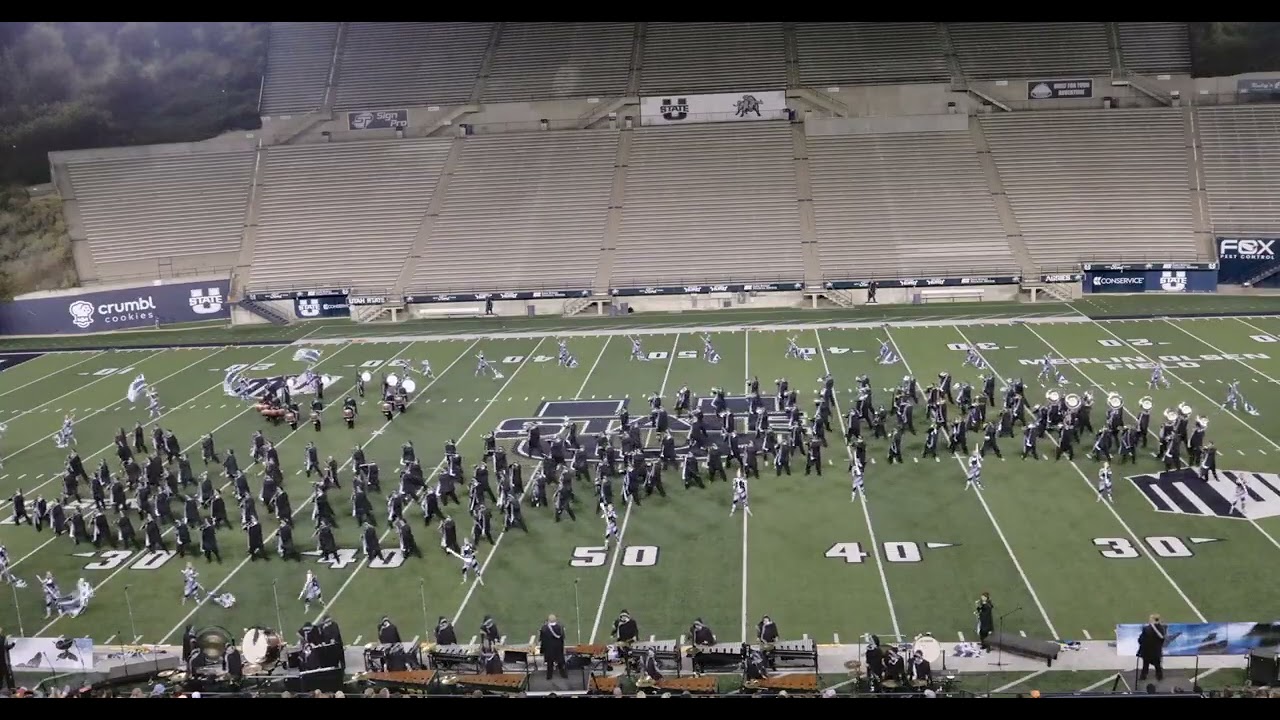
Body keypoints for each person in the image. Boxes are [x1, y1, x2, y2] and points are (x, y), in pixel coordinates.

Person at [1138, 613, 1166, 682]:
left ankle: (1143, 676)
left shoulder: (1146, 629)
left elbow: (1141, 640)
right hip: (1156, 651)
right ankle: (1159, 676)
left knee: (1145, 664)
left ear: (1153, 619)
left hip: (1147, 651)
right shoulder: (1162, 628)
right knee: (1157, 665)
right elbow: (1162, 639)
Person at [539, 613, 568, 680]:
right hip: (558, 649)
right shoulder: (560, 627)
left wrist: (542, 650)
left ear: (548, 620)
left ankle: (549, 676)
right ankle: (563, 675)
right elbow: (563, 638)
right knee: (560, 662)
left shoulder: (544, 628)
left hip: (549, 650)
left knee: (550, 663)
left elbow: (542, 640)